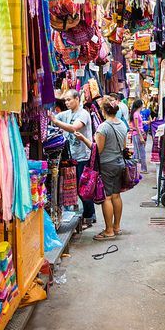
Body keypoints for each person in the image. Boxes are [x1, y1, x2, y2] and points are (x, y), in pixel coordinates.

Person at [74, 95, 127, 240]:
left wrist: (83, 139)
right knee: (116, 195)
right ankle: (116, 227)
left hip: (107, 165)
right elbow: (123, 146)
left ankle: (109, 230)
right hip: (119, 163)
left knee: (107, 197)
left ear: (103, 110)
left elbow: (97, 150)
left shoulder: (103, 127)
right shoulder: (122, 124)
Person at [50, 90, 96, 227]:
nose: (67, 103)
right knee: (76, 187)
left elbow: (74, 128)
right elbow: (53, 116)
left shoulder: (83, 114)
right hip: (72, 156)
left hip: (83, 156)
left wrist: (56, 121)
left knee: (83, 188)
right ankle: (87, 214)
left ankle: (90, 215)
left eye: (69, 100)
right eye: (65, 101)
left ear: (77, 99)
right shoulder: (67, 114)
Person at [129, 98, 148, 173]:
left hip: (137, 134)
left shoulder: (136, 113)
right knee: (140, 152)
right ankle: (141, 168)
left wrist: (146, 122)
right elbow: (136, 126)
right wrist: (141, 137)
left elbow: (138, 124)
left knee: (138, 151)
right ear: (140, 105)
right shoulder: (136, 114)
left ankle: (135, 168)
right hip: (137, 134)